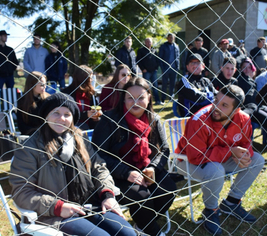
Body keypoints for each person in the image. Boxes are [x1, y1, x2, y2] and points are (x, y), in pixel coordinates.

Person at [10, 93, 136, 236]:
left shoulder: (79, 139)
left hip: (91, 205)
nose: (61, 118)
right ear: (46, 115)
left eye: (67, 114)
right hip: (55, 215)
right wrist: (57, 207)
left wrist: (107, 195)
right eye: (55, 113)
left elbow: (99, 168)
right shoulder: (30, 147)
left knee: (127, 233)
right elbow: (22, 191)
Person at [175, 85, 265, 235]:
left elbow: (246, 142)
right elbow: (196, 156)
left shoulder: (243, 118)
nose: (216, 107)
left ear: (236, 110)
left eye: (224, 105)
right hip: (186, 161)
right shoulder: (199, 120)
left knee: (257, 160)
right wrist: (231, 151)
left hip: (219, 159)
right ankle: (210, 211)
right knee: (216, 170)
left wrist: (244, 154)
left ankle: (231, 203)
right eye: (216, 100)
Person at [92, 77, 176, 236]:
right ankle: (154, 232)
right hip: (117, 174)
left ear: (149, 97)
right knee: (142, 196)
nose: (135, 102)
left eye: (141, 97)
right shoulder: (110, 120)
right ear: (123, 98)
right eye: (130, 97)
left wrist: (153, 167)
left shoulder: (154, 119)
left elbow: (164, 149)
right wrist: (126, 173)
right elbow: (98, 154)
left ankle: (142, 224)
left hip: (146, 170)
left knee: (168, 190)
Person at [237, 58, 267, 148]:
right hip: (249, 108)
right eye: (244, 67)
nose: (247, 70)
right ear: (240, 69)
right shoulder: (240, 80)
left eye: (249, 67)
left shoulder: (252, 80)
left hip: (258, 105)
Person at [61, 65, 101, 130]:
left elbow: (96, 106)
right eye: (90, 78)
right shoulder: (67, 93)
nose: (92, 80)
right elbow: (66, 113)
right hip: (72, 125)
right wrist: (86, 114)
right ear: (83, 78)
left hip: (90, 125)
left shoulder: (90, 93)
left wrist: (97, 114)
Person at [136, 37, 161, 105]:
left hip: (153, 71)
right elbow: (138, 60)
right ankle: (146, 101)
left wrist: (156, 68)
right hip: (146, 72)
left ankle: (157, 101)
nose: (148, 43)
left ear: (152, 43)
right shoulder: (141, 50)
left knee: (155, 86)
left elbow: (157, 60)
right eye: (147, 41)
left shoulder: (154, 50)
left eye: (150, 42)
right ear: (145, 42)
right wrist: (143, 69)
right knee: (145, 87)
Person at [159, 33, 180, 103]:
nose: (171, 39)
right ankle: (163, 98)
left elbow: (178, 57)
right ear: (167, 38)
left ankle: (171, 97)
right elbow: (160, 58)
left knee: (172, 84)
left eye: (172, 37)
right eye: (170, 37)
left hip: (174, 68)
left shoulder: (176, 46)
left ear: (174, 38)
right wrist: (162, 68)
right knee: (164, 84)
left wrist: (177, 67)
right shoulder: (163, 46)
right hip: (166, 68)